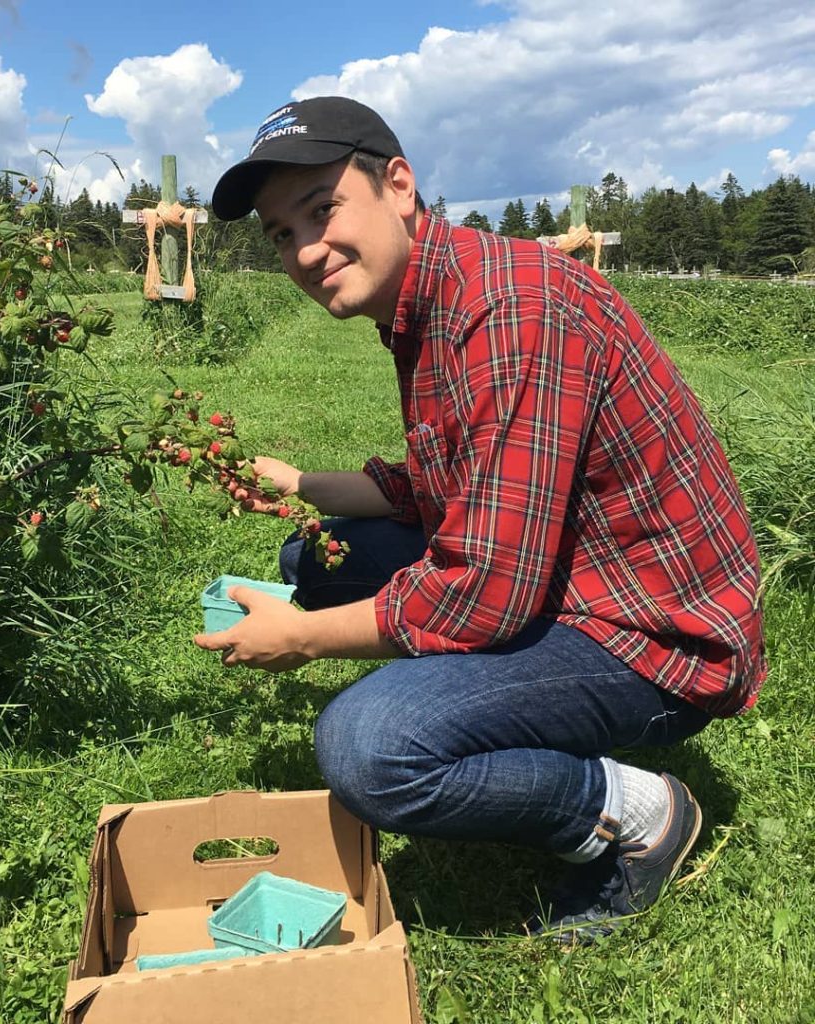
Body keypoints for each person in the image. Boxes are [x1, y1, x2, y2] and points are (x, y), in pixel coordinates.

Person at [194, 96, 766, 942]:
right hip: (570, 573)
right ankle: (497, 711)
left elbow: (486, 591)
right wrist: (298, 483)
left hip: (653, 634)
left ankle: (636, 815)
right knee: (315, 556)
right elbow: (434, 484)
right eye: (283, 234)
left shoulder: (509, 312)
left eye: (321, 209)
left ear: (397, 184)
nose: (306, 250)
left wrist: (304, 640)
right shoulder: (431, 299)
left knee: (371, 746)